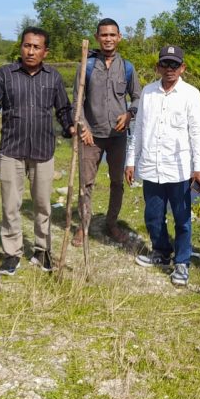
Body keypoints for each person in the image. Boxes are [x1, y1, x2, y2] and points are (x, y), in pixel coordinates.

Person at [0, 27, 74, 275]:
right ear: (20, 47)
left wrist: (71, 126)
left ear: (45, 52)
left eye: (36, 47)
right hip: (11, 150)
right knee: (11, 205)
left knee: (43, 205)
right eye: (27, 45)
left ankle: (42, 250)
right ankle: (12, 253)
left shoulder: (52, 77)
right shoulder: (5, 74)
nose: (30, 51)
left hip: (43, 150)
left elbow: (63, 109)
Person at [125, 45, 200, 287]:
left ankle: (182, 262)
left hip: (179, 169)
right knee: (153, 216)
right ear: (158, 67)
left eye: (175, 65)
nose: (169, 69)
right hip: (151, 166)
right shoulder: (148, 93)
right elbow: (138, 130)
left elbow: (197, 132)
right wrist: (131, 160)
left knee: (182, 219)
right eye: (165, 64)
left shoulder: (191, 94)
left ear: (183, 68)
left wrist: (199, 167)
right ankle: (161, 252)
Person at [73, 18, 141, 246]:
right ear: (97, 37)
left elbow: (137, 97)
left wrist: (130, 114)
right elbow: (77, 101)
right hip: (91, 136)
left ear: (119, 37)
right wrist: (84, 126)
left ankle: (111, 223)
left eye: (112, 35)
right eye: (104, 35)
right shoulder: (87, 66)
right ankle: (83, 225)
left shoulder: (128, 67)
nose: (108, 39)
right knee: (86, 183)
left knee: (117, 183)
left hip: (117, 137)